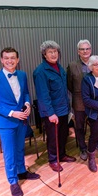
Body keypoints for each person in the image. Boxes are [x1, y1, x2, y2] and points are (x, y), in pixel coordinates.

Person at [0, 47, 40, 196]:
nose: (10, 61)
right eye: (6, 58)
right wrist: (11, 113)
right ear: (2, 60)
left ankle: (21, 171)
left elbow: (26, 93)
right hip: (6, 122)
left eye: (13, 58)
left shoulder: (22, 75)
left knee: (20, 148)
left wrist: (28, 104)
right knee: (9, 153)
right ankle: (13, 181)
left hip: (21, 120)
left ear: (18, 60)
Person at [33, 40, 76, 172]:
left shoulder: (59, 67)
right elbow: (43, 96)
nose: (53, 54)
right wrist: (50, 113)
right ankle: (53, 159)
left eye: (55, 51)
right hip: (52, 112)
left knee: (63, 135)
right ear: (44, 55)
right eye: (50, 52)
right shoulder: (41, 71)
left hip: (63, 109)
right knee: (53, 137)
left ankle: (61, 154)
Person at [67, 40, 98, 161]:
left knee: (97, 125)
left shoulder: (96, 63)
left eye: (87, 49)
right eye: (82, 49)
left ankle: (97, 143)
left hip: (95, 101)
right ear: (78, 51)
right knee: (79, 126)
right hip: (79, 102)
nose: (85, 51)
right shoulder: (72, 65)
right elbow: (69, 85)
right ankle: (83, 148)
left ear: (91, 50)